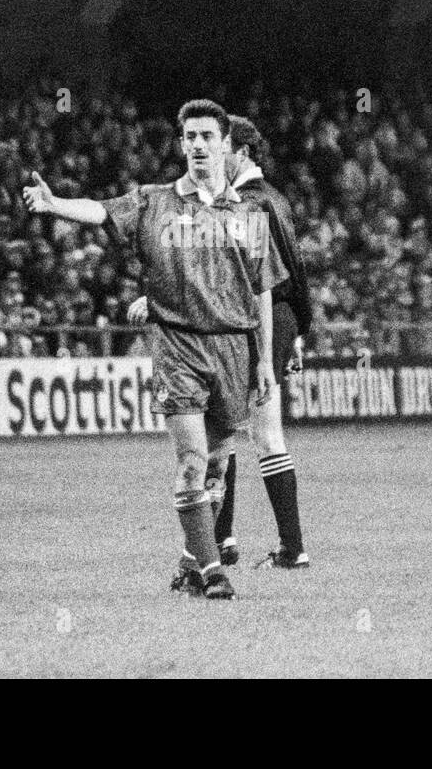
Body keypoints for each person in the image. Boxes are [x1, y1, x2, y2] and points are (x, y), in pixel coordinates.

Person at [23, 100, 284, 600]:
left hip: (233, 350)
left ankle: (191, 560)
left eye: (208, 136)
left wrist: (266, 360)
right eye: (190, 137)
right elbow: (101, 211)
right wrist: (57, 205)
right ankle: (211, 572)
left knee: (217, 465)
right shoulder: (154, 202)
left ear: (226, 144)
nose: (199, 145)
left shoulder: (251, 214)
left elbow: (262, 290)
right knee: (191, 458)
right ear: (181, 143)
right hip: (177, 347)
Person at [127, 115, 310, 568]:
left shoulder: (249, 204)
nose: (206, 152)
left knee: (250, 434)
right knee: (230, 432)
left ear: (239, 151)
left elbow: (250, 278)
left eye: (216, 143)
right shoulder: (270, 200)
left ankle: (277, 546)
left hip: (249, 321)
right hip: (267, 318)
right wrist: (298, 329)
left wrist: (160, 300)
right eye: (195, 139)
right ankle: (224, 541)